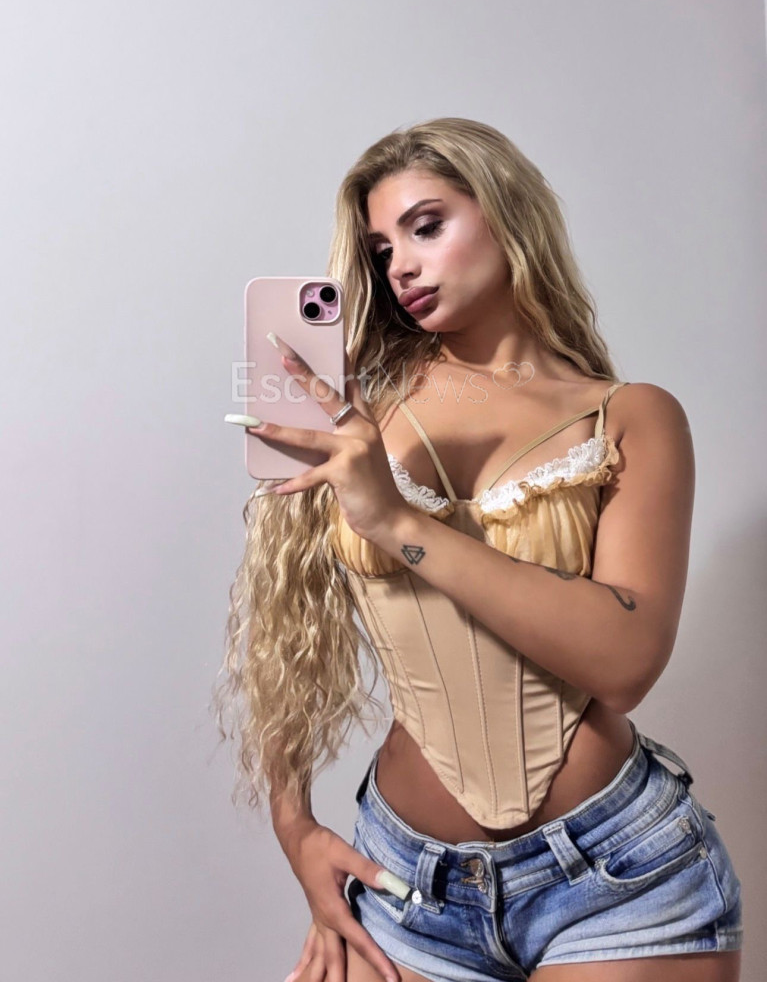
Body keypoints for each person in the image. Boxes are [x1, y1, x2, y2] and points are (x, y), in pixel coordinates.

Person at [214, 118, 743, 982]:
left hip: (618, 880)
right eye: (381, 251)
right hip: (406, 886)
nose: (400, 267)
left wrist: (401, 523)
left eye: (425, 227)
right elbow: (285, 630)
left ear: (505, 212)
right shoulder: (348, 408)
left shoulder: (628, 417)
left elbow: (625, 663)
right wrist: (294, 826)